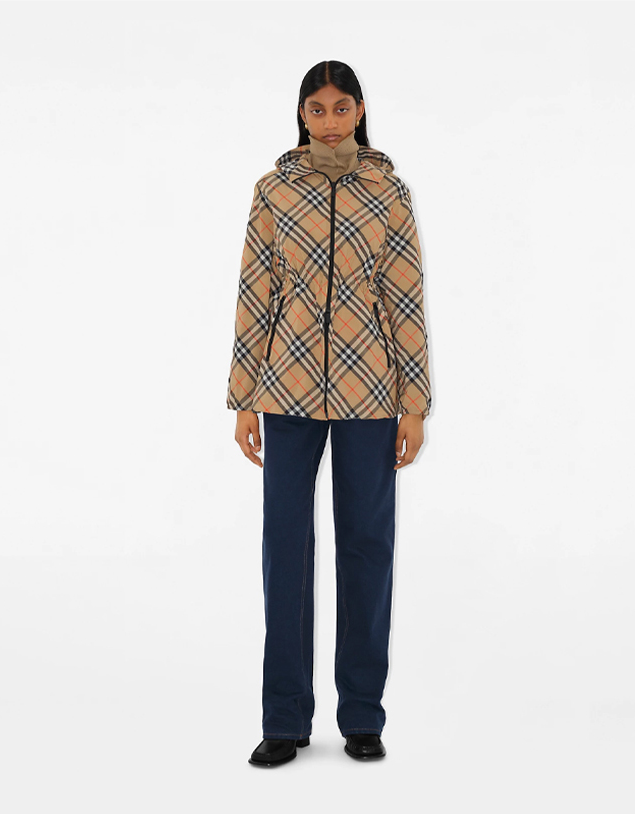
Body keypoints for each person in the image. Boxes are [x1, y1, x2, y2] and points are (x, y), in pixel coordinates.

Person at [226, 60, 432, 767]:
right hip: (284, 392)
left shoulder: (389, 192)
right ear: (302, 115)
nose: (331, 120)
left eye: (342, 107)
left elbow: (405, 299)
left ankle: (363, 717)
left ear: (361, 110)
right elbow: (254, 292)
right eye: (317, 109)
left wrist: (414, 404)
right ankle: (284, 720)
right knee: (285, 549)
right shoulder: (274, 191)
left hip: (370, 394)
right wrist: (243, 395)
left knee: (368, 547)